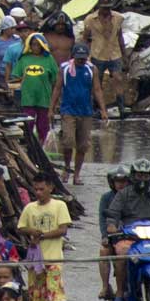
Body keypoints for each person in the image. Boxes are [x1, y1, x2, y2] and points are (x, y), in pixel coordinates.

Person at [17, 176, 72, 301]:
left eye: (42, 189)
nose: (38, 192)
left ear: (50, 188)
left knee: (55, 294)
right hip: (36, 260)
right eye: (36, 189)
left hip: (54, 258)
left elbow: (62, 230)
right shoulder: (29, 208)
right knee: (39, 296)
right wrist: (31, 232)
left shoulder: (59, 206)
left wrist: (43, 235)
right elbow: (21, 227)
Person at [50, 32, 106, 186]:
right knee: (68, 142)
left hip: (86, 112)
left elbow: (97, 89)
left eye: (84, 57)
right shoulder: (65, 68)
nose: (81, 60)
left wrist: (103, 109)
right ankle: (67, 169)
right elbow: (57, 88)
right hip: (68, 110)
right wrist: (51, 108)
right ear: (73, 56)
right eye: (79, 57)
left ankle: (77, 174)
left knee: (83, 145)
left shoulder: (91, 69)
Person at [13, 30, 60, 144]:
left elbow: (56, 80)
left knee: (43, 126)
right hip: (28, 98)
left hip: (44, 97)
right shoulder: (24, 59)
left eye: (38, 44)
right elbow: (16, 78)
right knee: (28, 124)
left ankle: (42, 147)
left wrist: (55, 101)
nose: (36, 47)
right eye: (33, 44)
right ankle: (29, 146)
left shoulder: (49, 59)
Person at [83, 0, 126, 111]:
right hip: (98, 54)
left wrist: (124, 55)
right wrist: (85, 56)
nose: (106, 10)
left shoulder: (118, 18)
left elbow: (120, 37)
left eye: (108, 7)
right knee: (97, 81)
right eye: (104, 8)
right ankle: (96, 107)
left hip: (114, 53)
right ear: (99, 7)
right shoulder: (90, 20)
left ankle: (121, 106)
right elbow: (85, 38)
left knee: (118, 78)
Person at [96, 166, 129, 301]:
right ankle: (105, 286)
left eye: (123, 181)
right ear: (112, 182)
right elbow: (102, 219)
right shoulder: (106, 198)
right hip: (114, 237)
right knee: (104, 252)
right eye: (118, 181)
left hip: (132, 236)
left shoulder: (133, 196)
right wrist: (105, 236)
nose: (120, 184)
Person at [0, 17, 24, 84]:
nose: (14, 30)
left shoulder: (18, 40)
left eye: (14, 28)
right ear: (4, 29)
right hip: (0, 74)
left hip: (16, 74)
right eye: (11, 28)